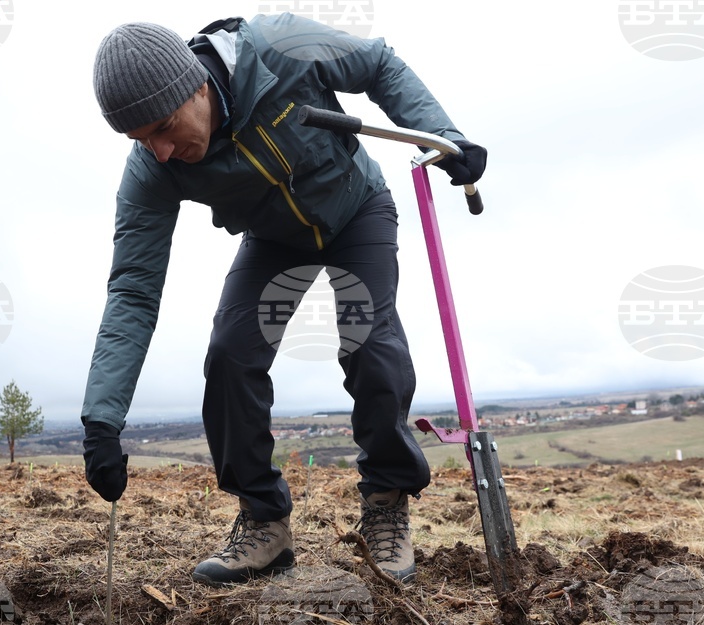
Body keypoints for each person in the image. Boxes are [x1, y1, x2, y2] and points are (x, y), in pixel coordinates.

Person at [80, 12, 486, 586]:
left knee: (367, 339)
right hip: (274, 240)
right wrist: (102, 421)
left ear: (197, 84)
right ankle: (264, 522)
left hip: (356, 209)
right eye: (141, 138)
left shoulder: (278, 48)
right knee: (231, 355)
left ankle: (386, 503)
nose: (161, 150)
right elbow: (133, 289)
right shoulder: (152, 169)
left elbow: (378, 63)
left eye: (165, 127)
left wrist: (443, 135)